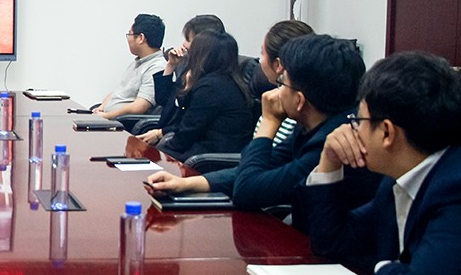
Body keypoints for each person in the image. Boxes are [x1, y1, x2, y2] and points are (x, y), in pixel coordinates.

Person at [299, 51, 461, 275]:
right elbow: (332, 242)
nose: (352, 130)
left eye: (358, 120)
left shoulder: (453, 188)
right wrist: (329, 162)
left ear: (386, 132)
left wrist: (383, 266)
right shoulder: (396, 181)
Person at [146, 33, 379, 221]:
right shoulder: (313, 126)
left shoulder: (331, 143)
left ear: (299, 101)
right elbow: (264, 167)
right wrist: (185, 183)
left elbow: (247, 191)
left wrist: (269, 121)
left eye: (283, 82)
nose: (277, 91)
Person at [136, 30, 254, 160]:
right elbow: (174, 106)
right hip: (201, 150)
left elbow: (186, 134)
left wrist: (157, 154)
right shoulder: (219, 80)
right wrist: (186, 83)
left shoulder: (211, 87)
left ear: (203, 55)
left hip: (208, 157)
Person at [93, 13, 167, 119]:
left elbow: (140, 106)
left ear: (141, 38)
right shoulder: (138, 62)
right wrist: (101, 108)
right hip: (108, 118)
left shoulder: (157, 68)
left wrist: (107, 116)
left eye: (129, 34)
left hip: (122, 124)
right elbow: (118, 93)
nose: (128, 39)